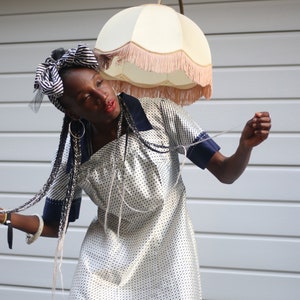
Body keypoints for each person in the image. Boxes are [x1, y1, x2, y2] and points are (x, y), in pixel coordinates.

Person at [0, 44, 271, 299]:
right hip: (105, 263)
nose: (101, 96)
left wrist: (244, 147)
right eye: (86, 97)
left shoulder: (160, 114)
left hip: (168, 252)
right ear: (72, 112)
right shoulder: (75, 156)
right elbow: (52, 225)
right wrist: (4, 217)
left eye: (99, 82)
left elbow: (225, 172)